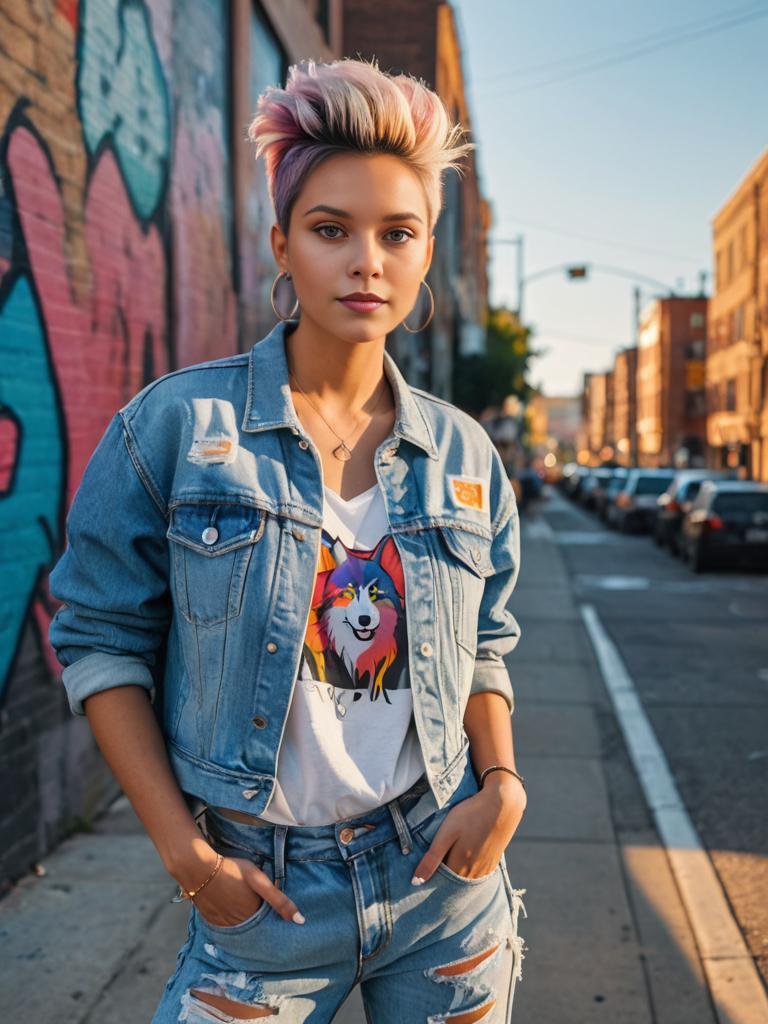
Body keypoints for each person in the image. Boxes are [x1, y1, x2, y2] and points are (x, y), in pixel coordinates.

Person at [48, 56, 528, 1023]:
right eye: (330, 230)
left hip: (443, 887)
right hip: (259, 895)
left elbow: (487, 639)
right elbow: (100, 642)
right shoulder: (175, 429)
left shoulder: (464, 454)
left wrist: (503, 786)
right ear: (281, 244)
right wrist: (186, 857)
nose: (367, 262)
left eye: (398, 234)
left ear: (427, 249)